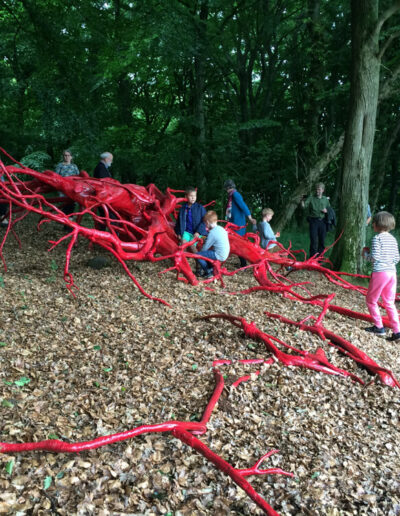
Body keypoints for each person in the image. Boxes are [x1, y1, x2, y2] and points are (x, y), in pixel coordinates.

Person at [362, 211, 400, 341]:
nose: (372, 224)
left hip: (380, 273)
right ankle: (397, 331)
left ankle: (379, 327)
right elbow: (396, 258)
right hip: (392, 273)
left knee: (371, 300)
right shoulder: (393, 239)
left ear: (377, 225)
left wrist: (365, 255)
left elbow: (375, 258)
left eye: (374, 222)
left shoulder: (377, 238)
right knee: (389, 302)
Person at [224, 179, 256, 267]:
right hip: (234, 223)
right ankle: (243, 263)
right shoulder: (231, 195)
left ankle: (244, 264)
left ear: (228, 188)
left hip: (238, 224)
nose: (227, 190)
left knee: (239, 244)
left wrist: (250, 217)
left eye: (227, 188)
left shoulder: (235, 194)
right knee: (236, 243)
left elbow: (243, 206)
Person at [196, 210, 230, 279]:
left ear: (208, 223)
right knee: (207, 254)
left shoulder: (212, 233)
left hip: (219, 254)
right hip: (225, 253)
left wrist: (200, 252)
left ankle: (208, 271)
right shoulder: (221, 229)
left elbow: (205, 248)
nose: (206, 225)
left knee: (198, 255)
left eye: (206, 224)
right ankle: (211, 269)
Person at [301, 182, 331, 257]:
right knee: (313, 240)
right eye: (316, 189)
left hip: (323, 222)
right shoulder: (311, 198)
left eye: (319, 189)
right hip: (313, 221)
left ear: (323, 190)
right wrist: (302, 200)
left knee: (322, 241)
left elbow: (329, 209)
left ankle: (320, 258)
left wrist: (326, 211)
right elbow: (304, 207)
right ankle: (312, 259)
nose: (317, 191)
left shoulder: (325, 199)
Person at [175, 187, 207, 252]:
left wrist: (198, 232)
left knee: (192, 245)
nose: (193, 198)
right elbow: (178, 222)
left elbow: (204, 221)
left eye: (195, 196)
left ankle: (199, 260)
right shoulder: (183, 208)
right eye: (191, 196)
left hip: (196, 233)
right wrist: (178, 233)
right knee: (183, 244)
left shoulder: (200, 208)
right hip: (186, 232)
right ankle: (184, 260)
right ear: (186, 196)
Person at [55, 150, 80, 219]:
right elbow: (56, 177)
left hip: (72, 189)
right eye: (65, 155)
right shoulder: (60, 166)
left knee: (71, 205)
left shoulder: (74, 166)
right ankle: (65, 223)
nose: (66, 157)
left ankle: (70, 222)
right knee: (65, 206)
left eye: (68, 155)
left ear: (71, 157)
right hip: (62, 189)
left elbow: (78, 177)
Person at [93, 152, 114, 230]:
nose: (111, 162)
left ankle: (102, 234)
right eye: (111, 160)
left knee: (104, 217)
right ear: (106, 159)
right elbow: (104, 182)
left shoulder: (101, 167)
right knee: (109, 217)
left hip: (102, 197)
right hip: (103, 197)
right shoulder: (101, 168)